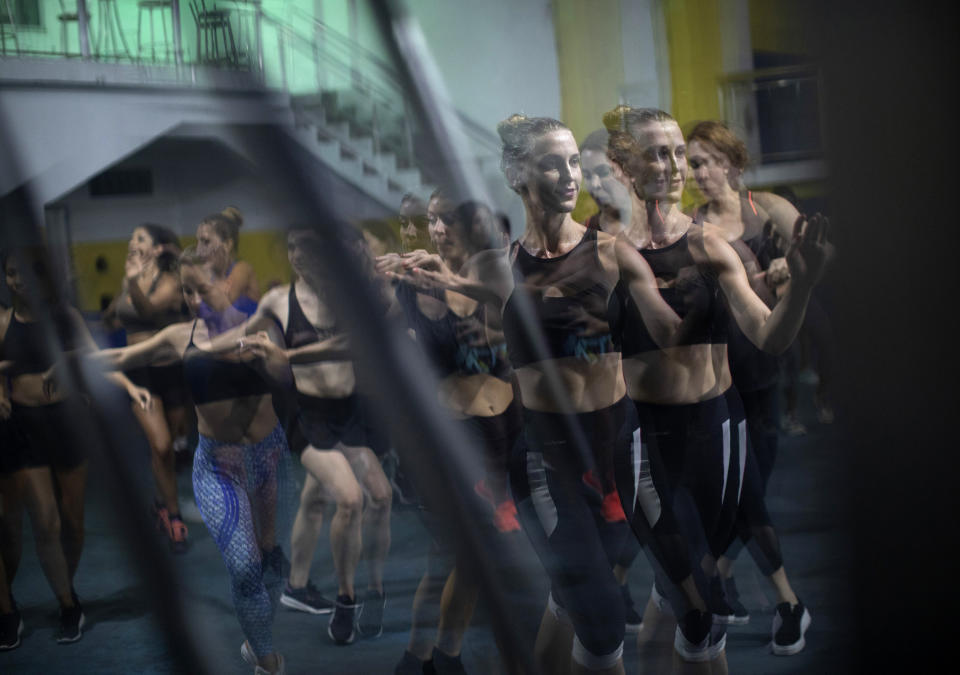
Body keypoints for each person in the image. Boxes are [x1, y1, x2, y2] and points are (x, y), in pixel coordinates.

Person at [602, 106, 827, 663]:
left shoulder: (711, 246)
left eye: (680, 152)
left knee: (691, 593)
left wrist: (801, 285)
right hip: (644, 435)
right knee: (685, 589)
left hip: (714, 429)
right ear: (625, 166)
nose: (676, 166)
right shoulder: (607, 255)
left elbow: (769, 337)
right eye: (660, 153)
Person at [82, 247, 292, 674]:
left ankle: (255, 644)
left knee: (272, 568)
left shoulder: (262, 326)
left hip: (269, 459)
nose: (193, 299)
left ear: (227, 282)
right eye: (186, 292)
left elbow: (287, 378)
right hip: (218, 467)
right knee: (246, 567)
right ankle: (269, 664)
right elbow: (123, 356)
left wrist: (272, 358)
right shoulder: (183, 335)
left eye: (201, 288)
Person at [381, 197, 524, 675]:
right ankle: (437, 656)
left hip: (502, 434)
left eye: (448, 219)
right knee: (459, 555)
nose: (437, 228)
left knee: (462, 561)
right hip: (451, 442)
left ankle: (429, 656)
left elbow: (510, 308)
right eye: (431, 221)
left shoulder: (499, 272)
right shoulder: (410, 283)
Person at [686, 121, 812, 646]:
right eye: (692, 163)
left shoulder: (769, 209)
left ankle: (716, 575)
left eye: (706, 160)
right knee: (746, 493)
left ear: (733, 164)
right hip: (718, 379)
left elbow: (824, 252)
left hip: (764, 370)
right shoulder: (690, 226)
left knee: (746, 489)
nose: (698, 172)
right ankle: (788, 603)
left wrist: (793, 264)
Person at [244, 226, 393, 646]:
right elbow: (247, 336)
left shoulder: (346, 295)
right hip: (308, 417)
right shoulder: (280, 300)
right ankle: (347, 598)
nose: (297, 256)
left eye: (305, 248)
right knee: (349, 498)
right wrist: (215, 346)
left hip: (348, 415)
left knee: (371, 497)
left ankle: (328, 587)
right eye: (291, 248)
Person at [0, 248, 151, 645]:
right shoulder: (2, 321)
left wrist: (64, 361)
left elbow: (93, 353)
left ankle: (66, 589)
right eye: (10, 274)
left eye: (23, 274)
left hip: (66, 422)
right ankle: (68, 604)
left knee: (73, 523)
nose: (17, 282)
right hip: (23, 428)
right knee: (45, 522)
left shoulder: (62, 314)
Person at [102, 224, 190, 551]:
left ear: (155, 249)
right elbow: (113, 317)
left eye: (139, 238)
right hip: (140, 374)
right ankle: (173, 514)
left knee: (176, 438)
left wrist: (130, 283)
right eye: (131, 236)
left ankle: (161, 502)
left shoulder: (168, 281)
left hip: (170, 371)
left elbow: (148, 310)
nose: (131, 241)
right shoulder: (129, 280)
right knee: (162, 445)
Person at [195, 208, 261, 319]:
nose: (199, 251)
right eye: (198, 242)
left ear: (227, 244)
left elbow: (220, 303)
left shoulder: (243, 270)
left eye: (206, 242)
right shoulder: (208, 274)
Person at [580, 129, 632, 236]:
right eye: (587, 175)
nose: (594, 184)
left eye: (603, 172)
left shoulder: (659, 229)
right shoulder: (581, 236)